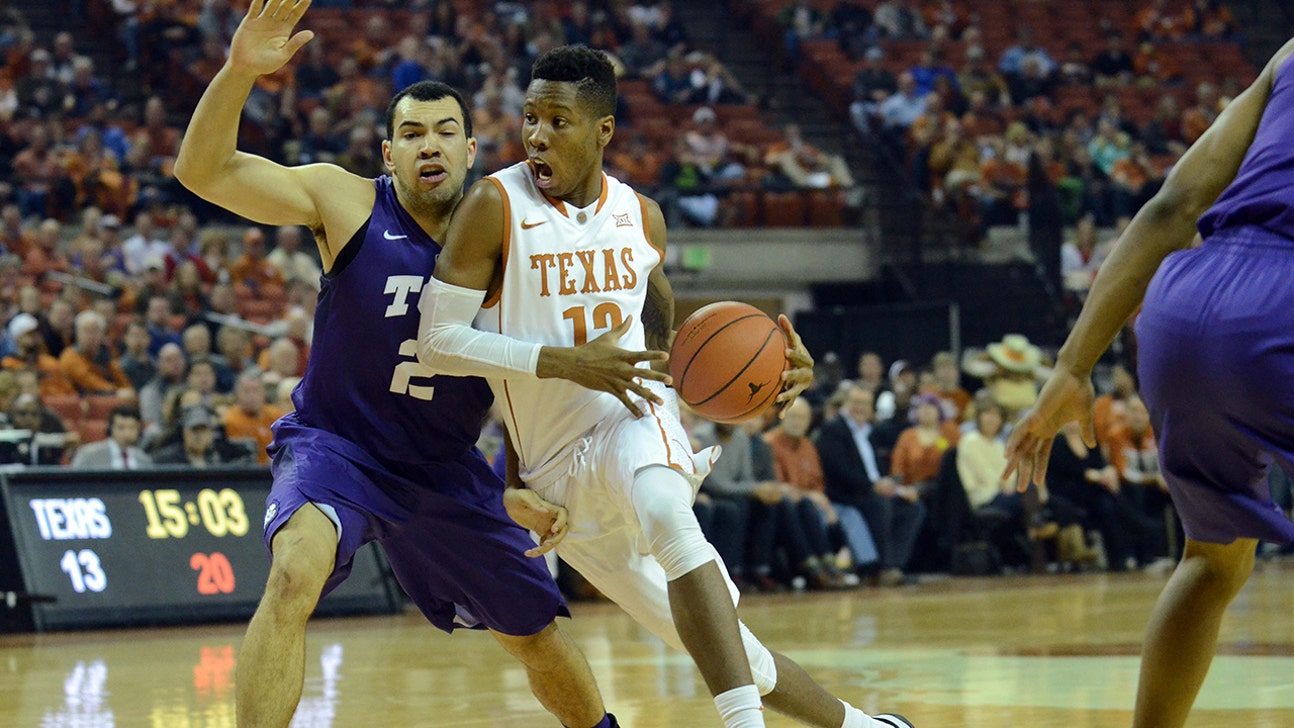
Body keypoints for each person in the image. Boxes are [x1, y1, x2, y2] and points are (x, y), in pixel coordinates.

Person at [419, 44, 911, 728]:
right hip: (555, 477)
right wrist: (566, 366)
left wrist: (757, 376)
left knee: (669, 515)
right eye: (530, 117)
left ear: (603, 131)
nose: (535, 133)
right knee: (723, 646)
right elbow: (436, 341)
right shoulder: (493, 205)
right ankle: (864, 726)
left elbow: (662, 327)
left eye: (556, 119)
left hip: (629, 420)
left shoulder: (641, 217)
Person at [172, 4, 617, 728]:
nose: (429, 146)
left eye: (445, 132)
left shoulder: (514, 236)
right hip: (335, 448)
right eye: (411, 134)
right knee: (292, 576)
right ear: (388, 154)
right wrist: (240, 71)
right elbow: (202, 170)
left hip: (444, 470)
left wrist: (513, 484)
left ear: (473, 150)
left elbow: (526, 374)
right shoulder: (343, 203)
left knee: (536, 635)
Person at [1004, 38, 1294, 728]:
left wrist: (1073, 366)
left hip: (1184, 306)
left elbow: (1173, 205)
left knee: (1212, 562)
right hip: (1281, 300)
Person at [70, 405, 151, 469]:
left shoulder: (144, 460)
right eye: (121, 428)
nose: (127, 433)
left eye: (132, 428)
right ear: (110, 429)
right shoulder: (88, 455)